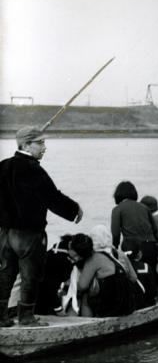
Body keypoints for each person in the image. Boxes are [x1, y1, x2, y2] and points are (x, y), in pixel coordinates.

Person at [0, 126, 83, 327]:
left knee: (5, 273)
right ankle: (27, 318)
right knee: (31, 275)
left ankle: (1, 317)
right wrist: (75, 210)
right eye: (40, 143)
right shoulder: (34, 169)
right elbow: (52, 197)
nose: (44, 147)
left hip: (4, 233)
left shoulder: (2, 166)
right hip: (29, 234)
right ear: (26, 145)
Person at [68, 233, 136, 317]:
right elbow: (133, 278)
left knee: (85, 297)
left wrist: (71, 284)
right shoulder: (115, 253)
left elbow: (82, 286)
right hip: (127, 303)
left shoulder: (94, 258)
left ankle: (88, 323)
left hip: (112, 306)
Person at [110, 181, 158, 275]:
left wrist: (115, 248)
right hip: (151, 247)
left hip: (134, 248)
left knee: (135, 278)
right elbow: (155, 230)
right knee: (150, 277)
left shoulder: (117, 209)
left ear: (118, 194)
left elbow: (115, 233)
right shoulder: (144, 207)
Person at [121, 238, 157, 309]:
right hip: (147, 305)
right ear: (139, 253)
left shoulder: (121, 269)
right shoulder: (145, 267)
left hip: (131, 307)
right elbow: (153, 292)